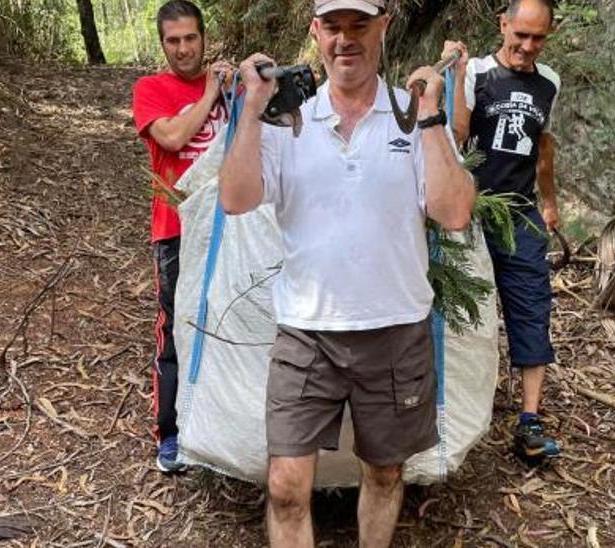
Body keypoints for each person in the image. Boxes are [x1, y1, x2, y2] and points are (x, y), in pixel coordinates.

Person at [218, 0, 476, 545]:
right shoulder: (288, 120)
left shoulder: (413, 113)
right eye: (333, 26)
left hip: (395, 328)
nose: (345, 40)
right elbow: (236, 199)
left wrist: (430, 115)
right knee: (287, 486)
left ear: (383, 27)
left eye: (359, 25)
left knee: (384, 473)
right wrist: (251, 109)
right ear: (315, 32)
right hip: (306, 333)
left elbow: (454, 212)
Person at [445, 0, 562, 463]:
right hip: (472, 212)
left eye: (538, 39)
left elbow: (544, 145)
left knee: (531, 307)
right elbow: (455, 136)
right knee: (463, 310)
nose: (528, 47)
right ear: (504, 24)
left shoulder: (549, 82)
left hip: (521, 214)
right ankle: (455, 407)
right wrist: (454, 77)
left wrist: (550, 201)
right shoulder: (474, 73)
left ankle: (529, 421)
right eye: (521, 35)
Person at [131, 0, 231, 474]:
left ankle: (217, 426)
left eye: (191, 38)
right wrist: (211, 92)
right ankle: (170, 435)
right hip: (175, 231)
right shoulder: (151, 89)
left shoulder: (226, 88)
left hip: (229, 228)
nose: (184, 48)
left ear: (203, 38)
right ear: (163, 44)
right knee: (175, 330)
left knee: (228, 325)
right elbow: (171, 138)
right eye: (173, 40)